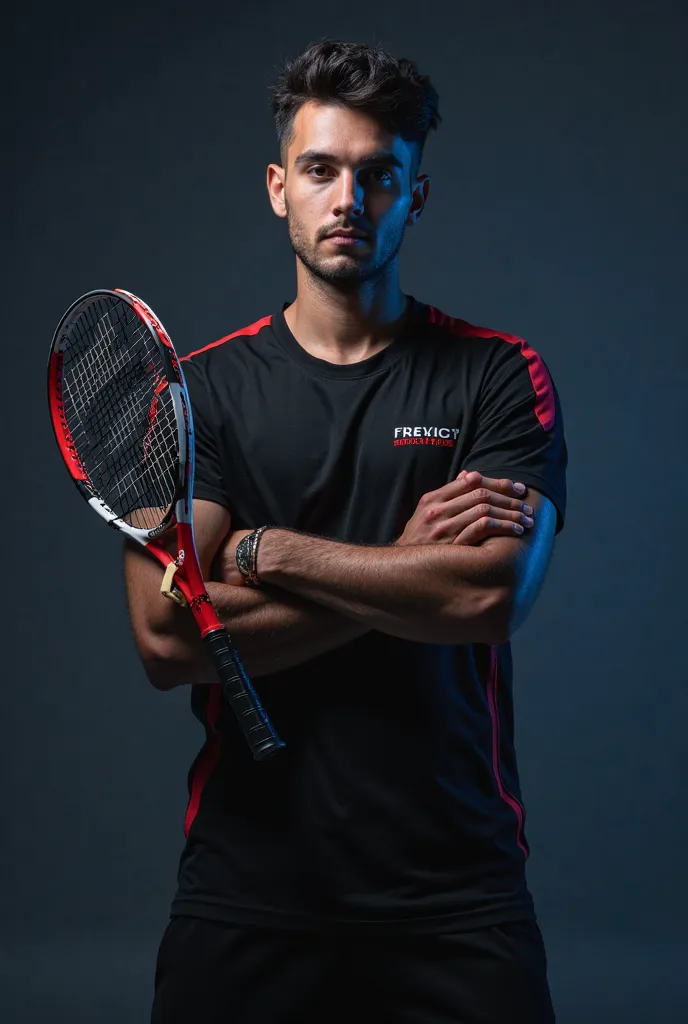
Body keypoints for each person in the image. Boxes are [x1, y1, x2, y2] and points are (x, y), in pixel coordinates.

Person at [125, 39, 567, 1024]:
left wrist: (264, 550)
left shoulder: (495, 377)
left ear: (416, 196)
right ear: (278, 186)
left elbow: (487, 599)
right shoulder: (201, 395)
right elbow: (165, 639)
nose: (348, 200)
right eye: (321, 171)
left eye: (379, 176)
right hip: (248, 890)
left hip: (455, 894)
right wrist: (410, 571)